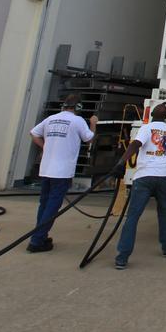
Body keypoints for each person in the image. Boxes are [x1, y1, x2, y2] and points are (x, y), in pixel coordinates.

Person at [28, 94, 98, 252]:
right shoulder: (78, 121)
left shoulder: (51, 119)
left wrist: (45, 146)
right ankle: (37, 240)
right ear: (78, 107)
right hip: (62, 171)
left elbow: (33, 133)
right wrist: (93, 124)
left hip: (46, 169)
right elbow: (89, 139)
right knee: (53, 206)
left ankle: (40, 235)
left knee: (44, 204)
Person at [115, 102, 166, 269]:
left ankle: (122, 257)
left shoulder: (146, 128)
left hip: (144, 177)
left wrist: (121, 162)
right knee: (165, 212)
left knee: (133, 217)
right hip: (163, 176)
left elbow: (135, 145)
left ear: (152, 115)